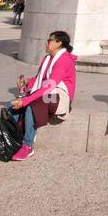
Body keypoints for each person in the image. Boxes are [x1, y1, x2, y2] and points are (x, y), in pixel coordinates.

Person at [8, 30, 77, 160]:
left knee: (32, 104)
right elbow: (42, 79)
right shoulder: (48, 58)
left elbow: (49, 85)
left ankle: (27, 146)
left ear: (59, 43)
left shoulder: (63, 60)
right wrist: (28, 81)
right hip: (49, 92)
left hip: (60, 96)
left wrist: (25, 100)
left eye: (49, 40)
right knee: (10, 106)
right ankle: (16, 137)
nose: (46, 43)